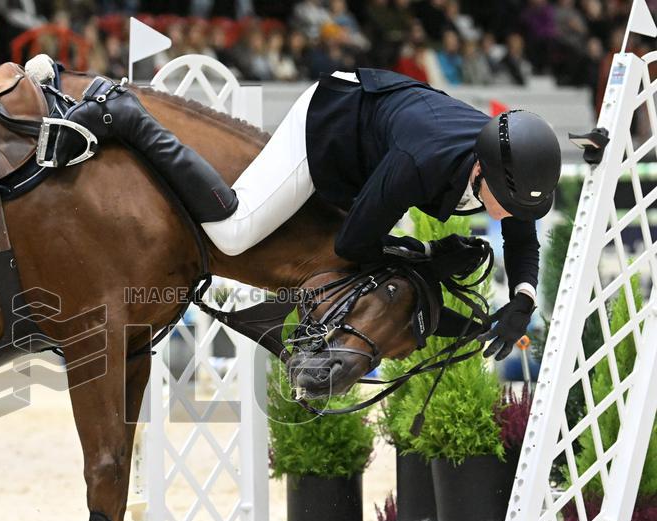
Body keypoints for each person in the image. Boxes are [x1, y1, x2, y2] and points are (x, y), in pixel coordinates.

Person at [53, 68, 561, 362]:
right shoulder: (421, 161)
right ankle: (127, 117)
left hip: (374, 145)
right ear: (482, 170)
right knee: (234, 232)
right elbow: (354, 245)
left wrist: (523, 296)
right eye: (509, 203)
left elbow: (523, 235)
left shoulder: (501, 167)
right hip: (329, 124)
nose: (513, 216)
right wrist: (425, 254)